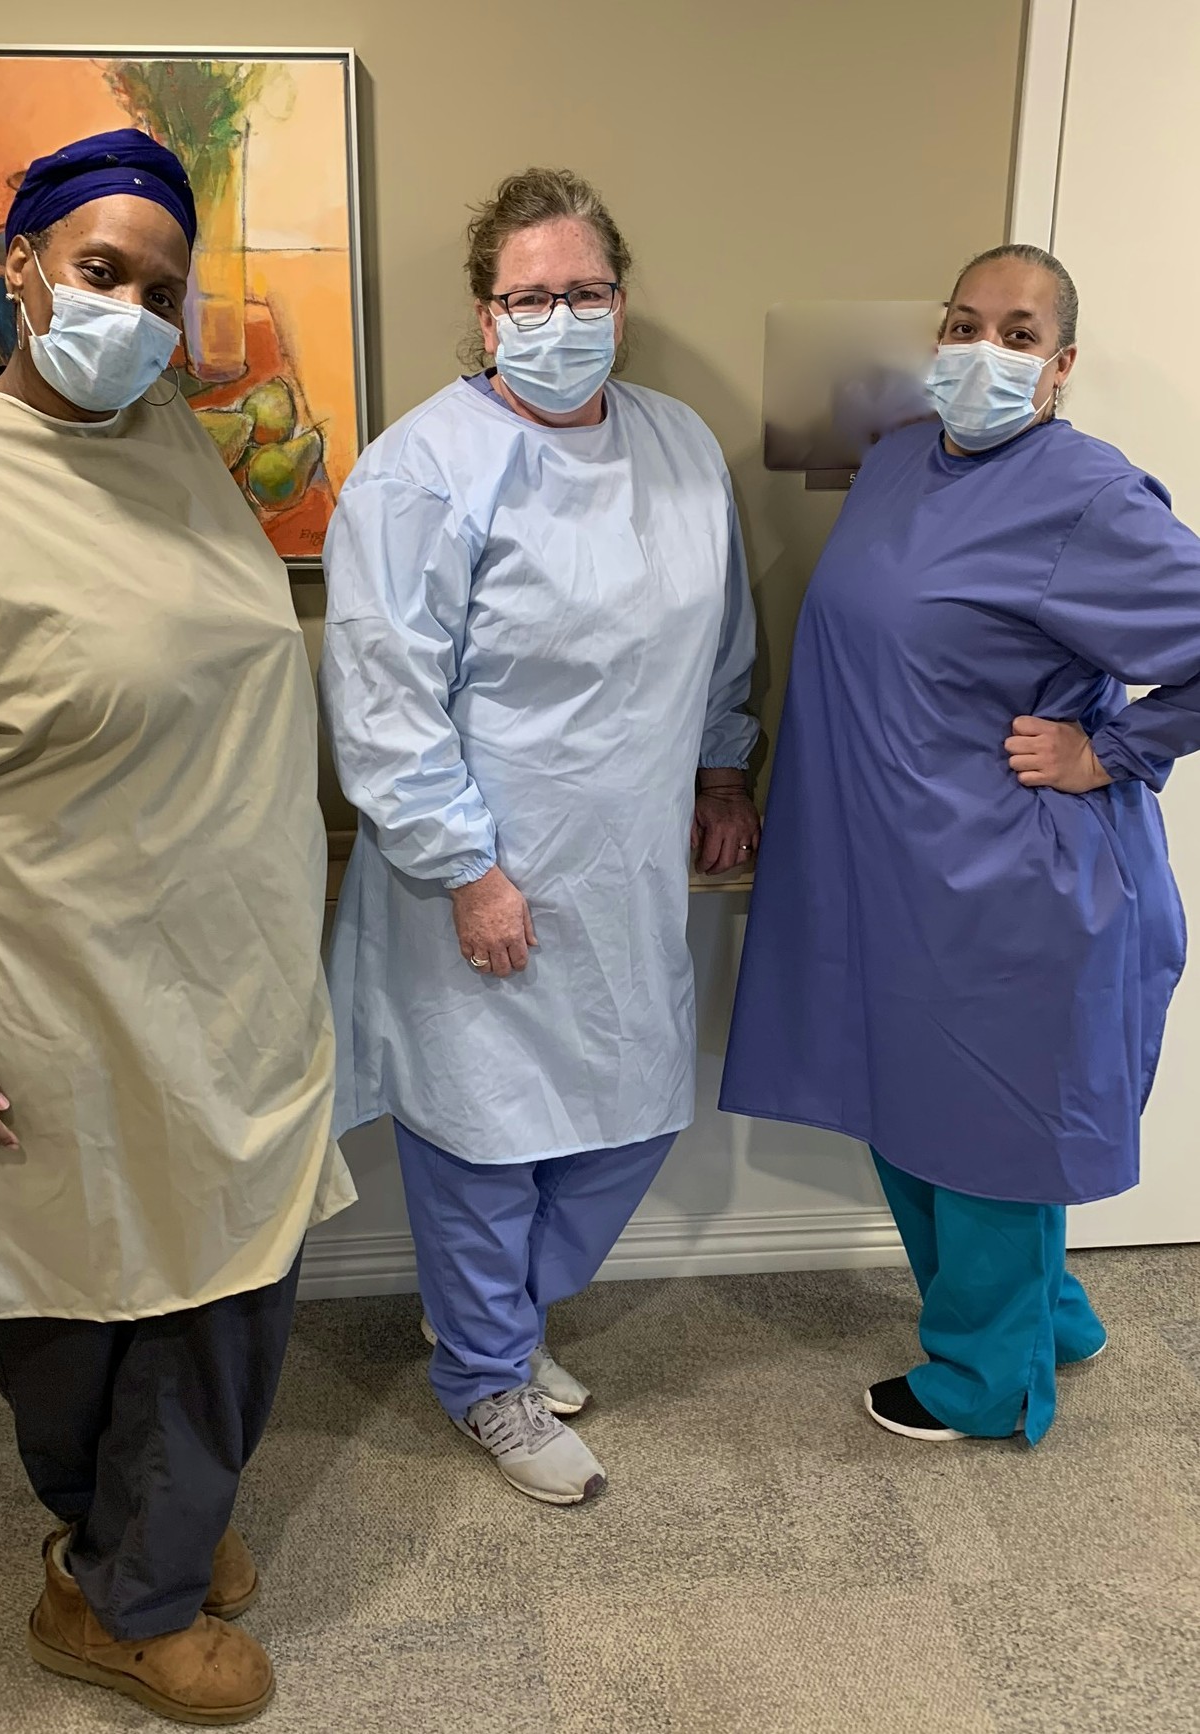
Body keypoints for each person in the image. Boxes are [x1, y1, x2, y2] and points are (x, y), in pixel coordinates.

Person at [0, 129, 353, 1723]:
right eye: (100, 272)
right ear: (17, 264)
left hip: (229, 965)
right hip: (53, 975)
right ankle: (118, 1594)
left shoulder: (164, 435)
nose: (135, 315)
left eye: (163, 287)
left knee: (227, 1276)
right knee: (92, 1298)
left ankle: (149, 1533)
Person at [321, 167, 760, 1504]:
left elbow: (720, 628)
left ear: (620, 305)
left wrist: (724, 766)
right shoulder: (420, 471)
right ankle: (486, 1375)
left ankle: (484, 1316)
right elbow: (383, 693)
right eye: (530, 295)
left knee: (627, 1110)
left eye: (583, 292)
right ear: (483, 309)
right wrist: (466, 867)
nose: (558, 316)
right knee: (483, 1130)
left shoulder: (679, 444)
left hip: (625, 857)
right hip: (474, 867)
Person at [721, 243, 1200, 1446]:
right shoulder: (893, 461)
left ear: (1060, 367)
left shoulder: (1085, 496)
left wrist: (1116, 750)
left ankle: (985, 1383)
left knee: (986, 1138)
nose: (983, 351)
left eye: (1020, 334)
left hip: (1006, 879)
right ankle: (1052, 1315)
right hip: (886, 871)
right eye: (963, 322)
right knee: (908, 1114)